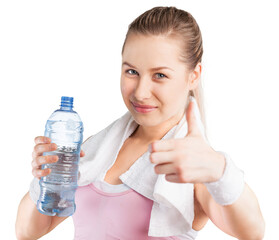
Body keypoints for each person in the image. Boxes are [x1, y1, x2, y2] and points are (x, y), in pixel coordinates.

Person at [15, 6, 265, 240]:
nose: (141, 92)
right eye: (132, 71)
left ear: (193, 76)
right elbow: (28, 231)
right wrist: (45, 178)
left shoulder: (192, 164)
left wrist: (219, 170)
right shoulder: (95, 149)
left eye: (160, 75)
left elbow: (252, 231)